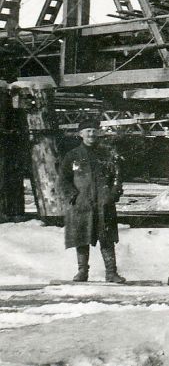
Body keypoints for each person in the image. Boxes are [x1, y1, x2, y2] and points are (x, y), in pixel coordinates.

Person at [58, 119, 126, 283]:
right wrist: (73, 195)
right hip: (82, 203)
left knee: (107, 237)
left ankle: (111, 272)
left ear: (99, 133)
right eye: (87, 130)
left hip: (104, 203)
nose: (92, 133)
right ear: (80, 134)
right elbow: (63, 179)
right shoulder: (72, 156)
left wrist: (112, 194)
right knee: (81, 237)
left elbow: (117, 177)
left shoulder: (107, 154)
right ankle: (82, 271)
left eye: (94, 130)